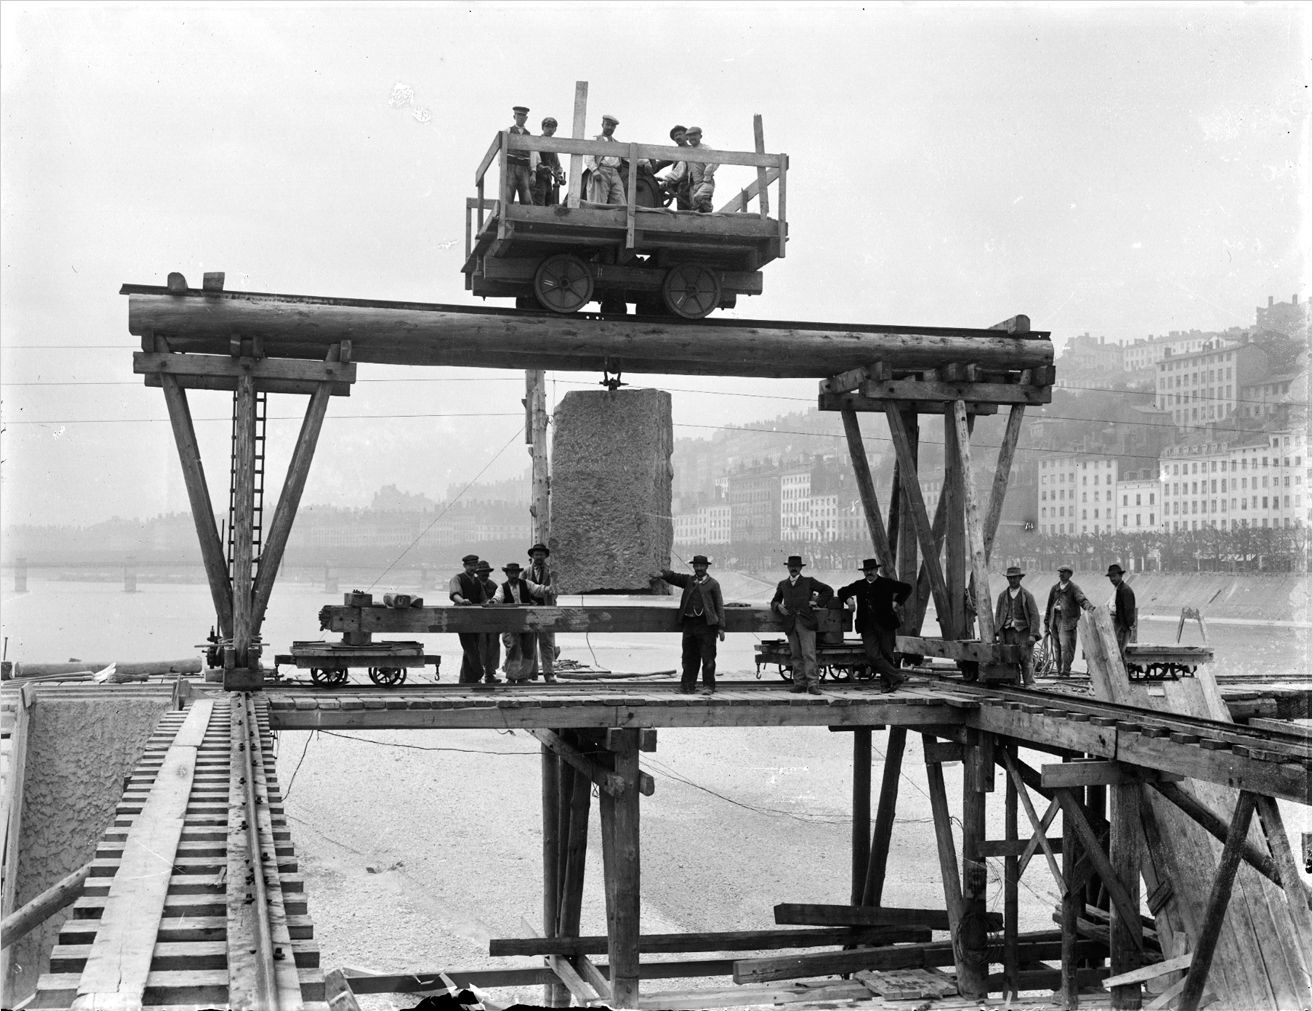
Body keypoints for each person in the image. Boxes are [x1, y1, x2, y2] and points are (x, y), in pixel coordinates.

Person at [836, 558, 911, 692]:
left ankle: (886, 685)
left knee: (887, 654)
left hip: (886, 624)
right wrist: (849, 600)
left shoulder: (886, 583)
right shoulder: (859, 585)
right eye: (866, 570)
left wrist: (897, 602)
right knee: (872, 655)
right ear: (864, 572)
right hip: (866, 626)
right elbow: (842, 591)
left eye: (871, 570)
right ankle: (897, 678)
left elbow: (907, 588)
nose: (869, 572)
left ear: (877, 570)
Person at [656, 554, 726, 695]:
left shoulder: (713, 584)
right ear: (693, 567)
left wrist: (721, 627)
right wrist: (662, 574)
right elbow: (674, 577)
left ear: (706, 567)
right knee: (688, 657)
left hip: (707, 626)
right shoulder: (688, 581)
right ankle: (688, 686)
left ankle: (708, 686)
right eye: (696, 566)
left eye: (702, 566)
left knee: (708, 658)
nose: (699, 568)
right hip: (689, 625)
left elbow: (719, 606)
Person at [770, 555, 834, 695]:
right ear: (787, 568)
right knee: (796, 655)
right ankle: (799, 684)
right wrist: (778, 606)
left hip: (806, 623)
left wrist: (817, 603)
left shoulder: (809, 582)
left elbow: (828, 590)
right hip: (790, 624)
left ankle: (812, 685)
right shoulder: (783, 584)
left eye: (796, 567)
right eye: (791, 567)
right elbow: (774, 601)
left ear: (800, 568)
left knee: (809, 654)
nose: (793, 569)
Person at [491, 561, 546, 682]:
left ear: (518, 573)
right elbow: (498, 597)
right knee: (513, 648)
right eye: (511, 573)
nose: (514, 575)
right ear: (507, 574)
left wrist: (548, 589)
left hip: (527, 621)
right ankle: (511, 676)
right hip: (510, 623)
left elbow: (538, 590)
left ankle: (523, 677)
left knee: (528, 649)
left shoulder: (526, 584)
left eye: (516, 573)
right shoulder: (502, 587)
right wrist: (494, 601)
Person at [449, 553, 498, 684]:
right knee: (470, 648)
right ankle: (478, 674)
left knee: (472, 649)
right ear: (465, 566)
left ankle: (466, 680)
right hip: (462, 619)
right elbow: (454, 594)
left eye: (475, 565)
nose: (473, 567)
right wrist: (462, 600)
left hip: (476, 620)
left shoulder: (477, 581)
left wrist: (488, 603)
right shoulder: (457, 578)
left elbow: (483, 598)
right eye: (470, 565)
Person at [993, 565, 1042, 686]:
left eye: (1015, 578)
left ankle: (1029, 684)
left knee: (1026, 660)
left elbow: (1034, 616)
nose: (1012, 580)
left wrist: (1033, 635)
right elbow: (998, 616)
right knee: (1010, 660)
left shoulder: (1027, 595)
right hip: (1007, 632)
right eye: (1010, 578)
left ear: (1020, 579)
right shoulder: (1002, 596)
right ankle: (1014, 685)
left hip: (1024, 632)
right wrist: (997, 632)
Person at [1044, 565, 1094, 677]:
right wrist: (1046, 625)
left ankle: (1065, 671)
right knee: (1057, 648)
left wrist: (1090, 608)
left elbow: (1082, 600)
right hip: (1054, 620)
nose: (1061, 574)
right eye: (1060, 572)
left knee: (1066, 647)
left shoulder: (1074, 588)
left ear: (1070, 575)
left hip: (1067, 621)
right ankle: (1059, 671)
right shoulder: (1054, 588)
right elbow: (1048, 607)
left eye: (1064, 572)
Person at [526, 542, 558, 683]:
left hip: (547, 611)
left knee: (547, 643)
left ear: (545, 556)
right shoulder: (525, 572)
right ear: (532, 556)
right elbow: (521, 590)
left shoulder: (552, 572)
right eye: (536, 554)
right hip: (530, 612)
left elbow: (556, 590)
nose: (538, 557)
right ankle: (531, 673)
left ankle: (548, 673)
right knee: (529, 643)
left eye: (541, 554)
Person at [586, 114, 624, 205]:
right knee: (598, 201)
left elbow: (629, 157)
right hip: (601, 171)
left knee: (620, 201)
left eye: (612, 126)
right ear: (602, 125)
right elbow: (588, 156)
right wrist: (594, 170)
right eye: (608, 124)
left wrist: (646, 163)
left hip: (615, 172)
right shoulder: (595, 139)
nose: (610, 127)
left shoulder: (617, 143)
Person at [474, 560, 501, 682]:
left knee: (493, 648)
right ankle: (477, 675)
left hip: (492, 622)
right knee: (479, 648)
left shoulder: (493, 586)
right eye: (482, 572)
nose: (485, 574)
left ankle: (490, 674)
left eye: (486, 572)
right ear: (477, 573)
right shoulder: (473, 585)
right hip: (477, 623)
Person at [531, 115, 565, 206]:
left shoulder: (552, 146)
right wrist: (541, 167)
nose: (550, 129)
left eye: (552, 127)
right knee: (539, 202)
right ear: (542, 128)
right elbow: (533, 159)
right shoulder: (537, 142)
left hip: (548, 179)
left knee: (549, 202)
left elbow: (556, 165)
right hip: (538, 179)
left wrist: (559, 175)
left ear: (555, 129)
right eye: (547, 127)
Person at [657, 124, 692, 209]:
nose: (677, 137)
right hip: (680, 185)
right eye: (675, 136)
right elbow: (661, 163)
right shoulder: (674, 153)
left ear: (687, 137)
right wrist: (650, 168)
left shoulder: (694, 149)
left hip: (691, 183)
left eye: (680, 134)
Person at [1106, 564, 1137, 659]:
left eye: (1114, 576)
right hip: (1117, 624)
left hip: (1121, 626)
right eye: (1110, 577)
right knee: (1116, 652)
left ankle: (1123, 673)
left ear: (1120, 576)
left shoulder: (1125, 590)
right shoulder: (1118, 589)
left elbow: (1128, 611)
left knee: (1118, 652)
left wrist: (1126, 627)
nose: (1112, 579)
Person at [684, 127, 717, 213]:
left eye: (694, 135)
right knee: (695, 208)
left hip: (705, 182)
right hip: (694, 185)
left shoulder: (705, 149)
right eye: (689, 136)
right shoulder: (688, 152)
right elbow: (681, 167)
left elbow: (714, 161)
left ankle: (709, 209)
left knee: (699, 197)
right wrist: (669, 178)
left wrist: (707, 175)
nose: (692, 138)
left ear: (700, 136)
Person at [506, 105, 534, 206]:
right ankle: (508, 219)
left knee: (526, 194)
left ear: (526, 118)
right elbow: (502, 149)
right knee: (508, 192)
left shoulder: (528, 134)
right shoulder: (508, 131)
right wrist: (502, 165)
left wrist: (533, 171)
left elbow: (533, 153)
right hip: (511, 165)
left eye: (523, 116)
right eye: (519, 115)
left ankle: (526, 220)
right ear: (514, 116)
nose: (521, 117)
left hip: (524, 166)